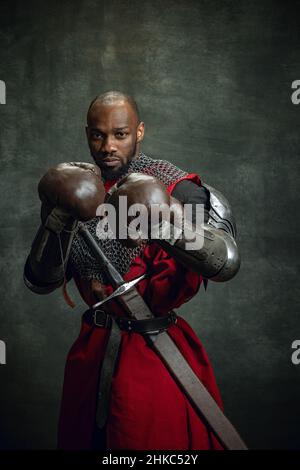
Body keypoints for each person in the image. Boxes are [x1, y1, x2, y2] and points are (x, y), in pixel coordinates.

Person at [23, 91, 241, 450]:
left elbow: (226, 263)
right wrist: (57, 218)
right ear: (87, 133)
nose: (108, 145)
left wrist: (165, 218)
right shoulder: (75, 187)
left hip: (154, 356)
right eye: (97, 134)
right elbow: (40, 280)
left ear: (139, 131)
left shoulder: (180, 187)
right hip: (91, 356)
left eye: (120, 134)